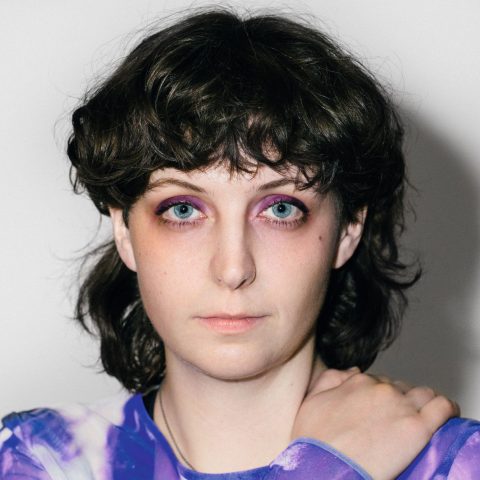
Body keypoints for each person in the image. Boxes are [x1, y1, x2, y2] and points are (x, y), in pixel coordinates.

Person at [1, 8, 479, 480]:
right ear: (124, 230)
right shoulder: (38, 459)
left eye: (281, 209)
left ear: (348, 229)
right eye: (183, 210)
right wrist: (325, 470)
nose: (232, 269)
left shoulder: (456, 465)